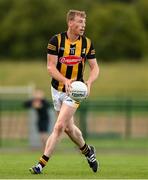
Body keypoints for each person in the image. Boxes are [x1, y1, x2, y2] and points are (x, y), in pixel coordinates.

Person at [29, 9, 100, 174]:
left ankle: (41, 164)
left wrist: (89, 82)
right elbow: (50, 67)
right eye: (79, 22)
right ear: (70, 23)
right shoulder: (56, 41)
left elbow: (95, 67)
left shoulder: (87, 43)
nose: (83, 26)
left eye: (84, 23)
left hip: (75, 91)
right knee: (69, 128)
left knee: (59, 126)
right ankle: (88, 151)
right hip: (57, 89)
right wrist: (65, 80)